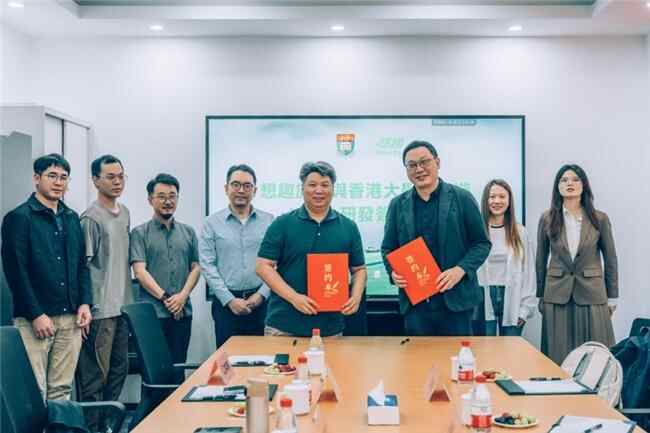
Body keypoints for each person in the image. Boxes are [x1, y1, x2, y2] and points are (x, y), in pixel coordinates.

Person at [1, 154, 92, 400]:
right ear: (36, 178)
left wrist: (85, 303)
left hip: (71, 318)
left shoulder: (71, 218)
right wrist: (36, 314)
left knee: (62, 390)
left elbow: (81, 266)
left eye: (63, 177)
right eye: (52, 176)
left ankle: (58, 423)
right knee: (35, 391)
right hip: (36, 320)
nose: (58, 182)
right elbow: (16, 273)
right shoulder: (19, 218)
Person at [381, 140, 491, 336]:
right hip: (416, 305)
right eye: (412, 165)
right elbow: (388, 248)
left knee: (457, 355)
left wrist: (460, 270)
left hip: (456, 301)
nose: (419, 169)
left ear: (437, 162)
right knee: (418, 356)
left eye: (424, 162)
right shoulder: (397, 204)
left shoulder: (462, 198)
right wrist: (393, 272)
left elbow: (481, 243)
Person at [256, 161, 367, 337]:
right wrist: (294, 298)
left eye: (325, 185)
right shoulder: (282, 223)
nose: (319, 190)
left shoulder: (348, 226)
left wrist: (356, 296)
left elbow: (359, 269)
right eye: (312, 184)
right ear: (302, 188)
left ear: (333, 189)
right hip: (284, 326)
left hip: (331, 328)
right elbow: (263, 266)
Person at [537, 164, 618, 365]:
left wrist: (612, 296)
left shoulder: (599, 218)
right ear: (558, 187)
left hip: (592, 292)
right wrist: (540, 295)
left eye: (575, 179)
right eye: (564, 180)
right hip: (556, 292)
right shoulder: (547, 218)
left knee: (595, 354)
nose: (569, 183)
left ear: (584, 185)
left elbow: (611, 259)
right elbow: (540, 259)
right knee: (557, 353)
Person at [76, 155, 133, 430]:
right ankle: (93, 428)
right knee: (95, 377)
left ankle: (109, 426)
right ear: (96, 180)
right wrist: (85, 306)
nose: (117, 181)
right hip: (100, 311)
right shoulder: (90, 218)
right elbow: (81, 267)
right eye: (110, 177)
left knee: (119, 370)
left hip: (123, 308)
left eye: (121, 176)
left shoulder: (125, 213)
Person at [130, 173, 200, 368]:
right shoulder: (139, 233)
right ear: (150, 199)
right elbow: (140, 271)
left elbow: (196, 267)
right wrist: (167, 299)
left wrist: (182, 297)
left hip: (182, 312)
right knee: (153, 372)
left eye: (172, 196)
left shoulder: (188, 232)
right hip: (152, 315)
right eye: (161, 196)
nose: (168, 201)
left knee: (178, 368)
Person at [200, 164, 273, 348]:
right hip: (226, 306)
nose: (241, 190)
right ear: (226, 188)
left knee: (263, 358)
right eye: (236, 185)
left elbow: (276, 264)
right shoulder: (211, 223)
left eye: (247, 186)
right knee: (228, 361)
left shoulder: (269, 221)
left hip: (262, 305)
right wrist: (229, 300)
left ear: (255, 190)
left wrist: (261, 295)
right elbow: (207, 265)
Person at [475, 179, 536, 336]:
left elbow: (529, 272)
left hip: (512, 299)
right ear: (486, 200)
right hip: (483, 298)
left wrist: (525, 309)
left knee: (510, 348)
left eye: (502, 197)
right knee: (484, 347)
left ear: (509, 201)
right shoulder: (476, 231)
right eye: (492, 197)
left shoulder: (520, 232)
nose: (497, 201)